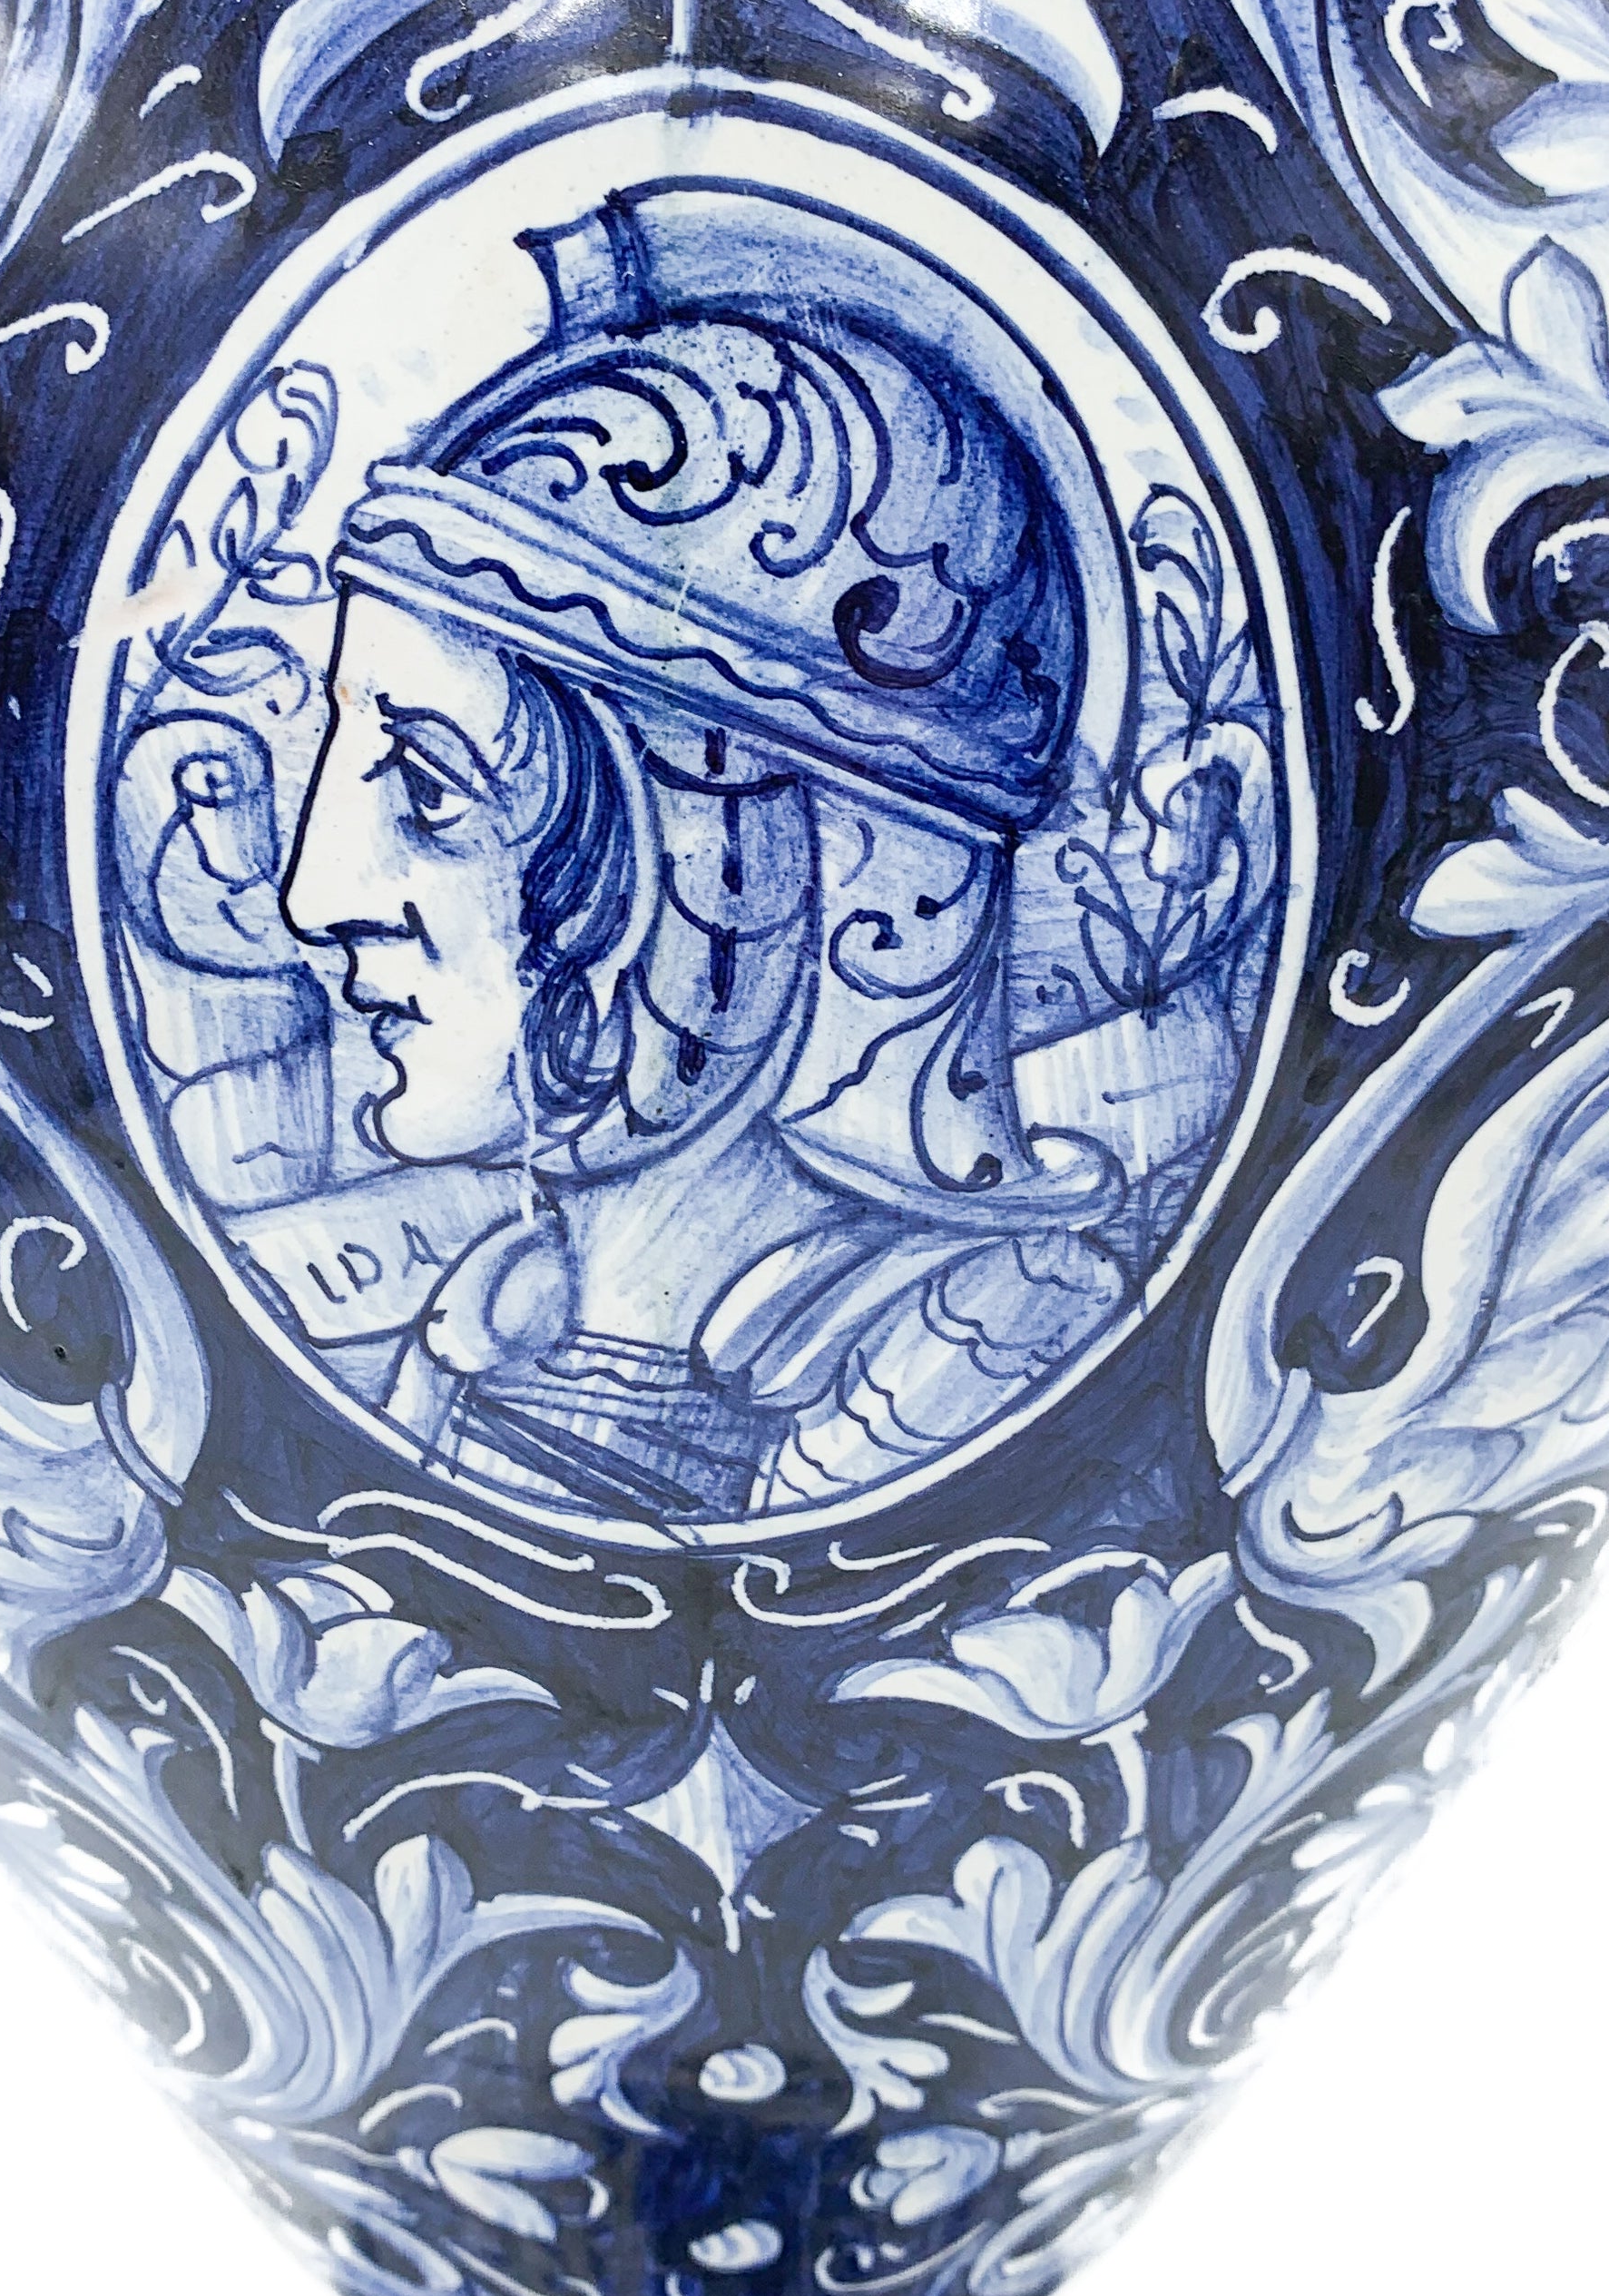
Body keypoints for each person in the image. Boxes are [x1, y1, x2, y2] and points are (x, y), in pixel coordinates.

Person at [271, 201, 1127, 1524]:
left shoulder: (960, 1367)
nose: (315, 894)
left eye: (432, 788)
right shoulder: (493, 1325)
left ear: (772, 862)